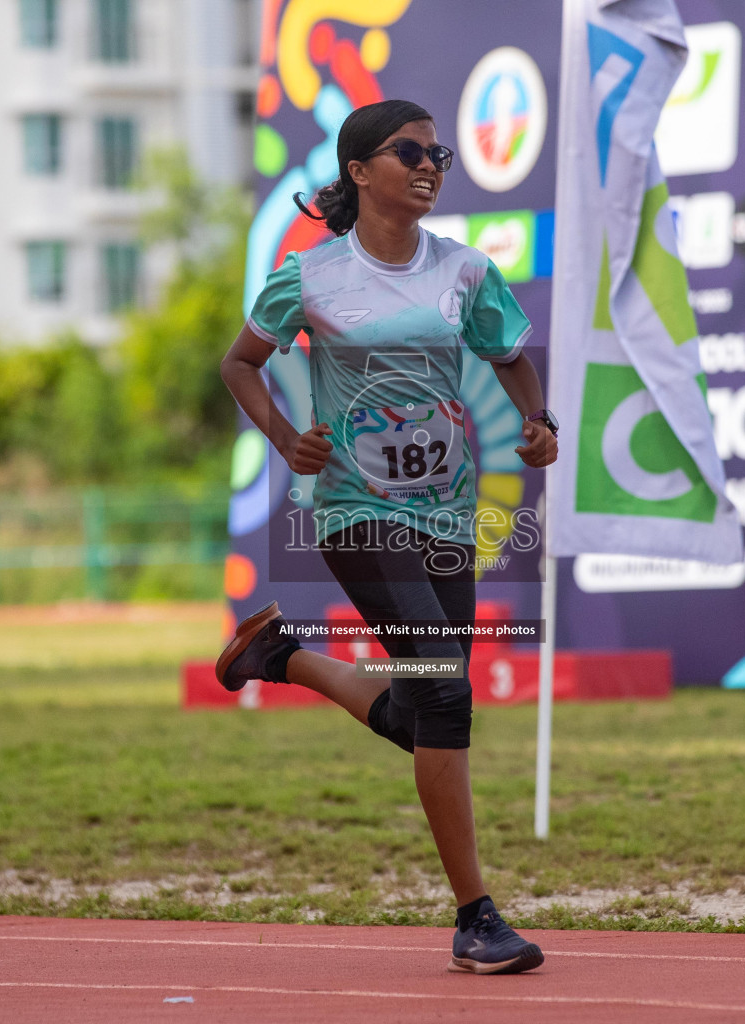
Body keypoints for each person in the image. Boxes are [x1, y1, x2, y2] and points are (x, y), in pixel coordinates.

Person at [216, 99, 558, 975]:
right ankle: (476, 917)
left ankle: (282, 655)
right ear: (361, 171)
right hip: (355, 508)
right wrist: (285, 436)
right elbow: (240, 363)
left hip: (447, 513)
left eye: (439, 152)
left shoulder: (466, 270)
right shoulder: (313, 276)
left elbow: (511, 354)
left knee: (423, 710)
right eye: (411, 151)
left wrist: (537, 418)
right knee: (446, 697)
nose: (431, 163)